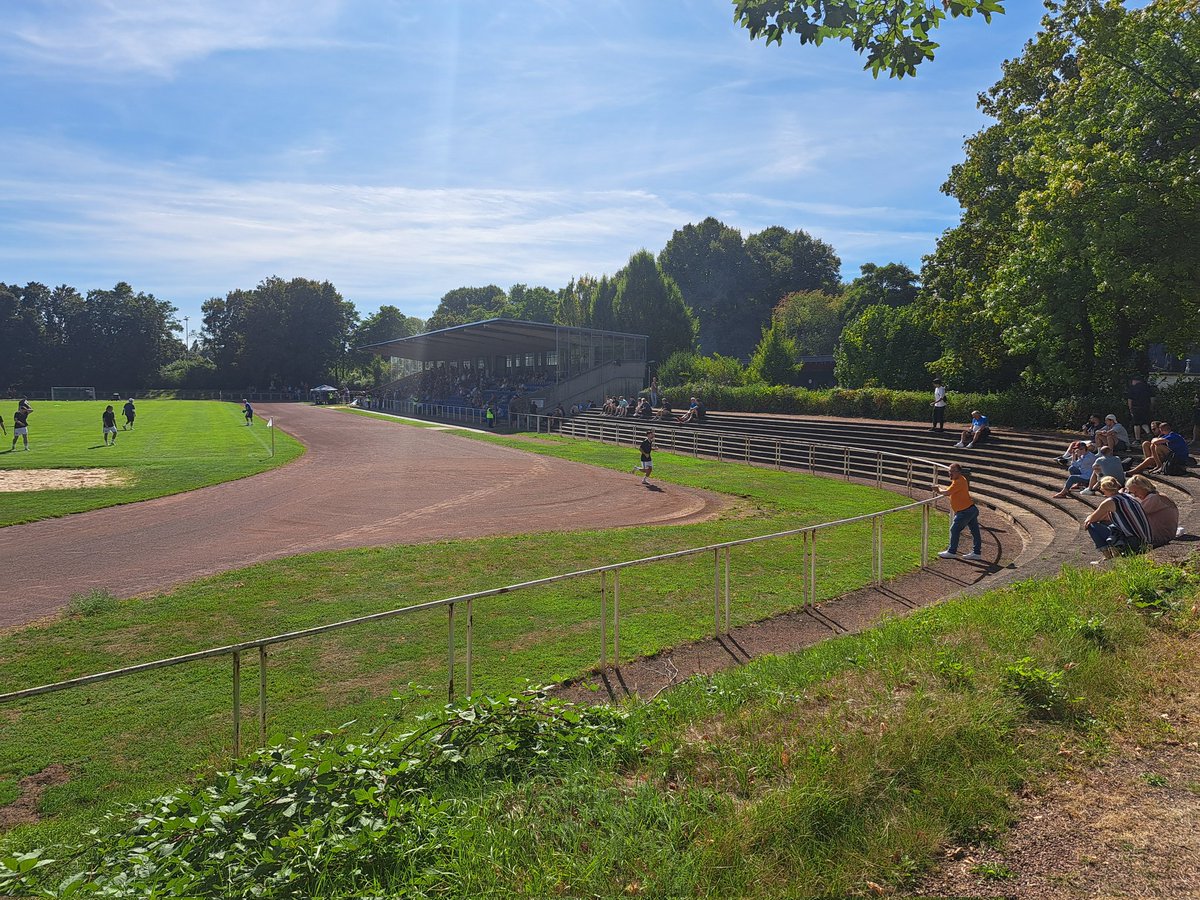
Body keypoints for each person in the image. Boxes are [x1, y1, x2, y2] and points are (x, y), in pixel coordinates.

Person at [1083, 475, 1152, 562]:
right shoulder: (1128, 496)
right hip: (1145, 540)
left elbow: (1091, 519)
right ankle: (1114, 551)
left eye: (1103, 491)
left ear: (1106, 489)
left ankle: (1108, 555)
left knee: (1091, 525)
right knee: (1106, 523)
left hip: (1133, 543)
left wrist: (1089, 517)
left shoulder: (1110, 501)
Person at [934, 462, 984, 560]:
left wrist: (938, 489)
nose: (950, 473)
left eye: (953, 471)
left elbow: (947, 492)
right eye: (949, 471)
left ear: (959, 472)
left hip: (965, 511)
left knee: (954, 529)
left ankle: (952, 551)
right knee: (975, 531)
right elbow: (950, 490)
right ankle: (976, 553)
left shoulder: (959, 481)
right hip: (970, 509)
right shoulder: (958, 480)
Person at [1124, 474, 1179, 547]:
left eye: (1136, 492)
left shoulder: (1153, 498)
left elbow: (1133, 515)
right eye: (1132, 493)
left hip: (1160, 537)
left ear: (1144, 487)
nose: (1135, 495)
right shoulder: (1157, 495)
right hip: (1166, 534)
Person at [1125, 375, 1157, 440]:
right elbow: (1152, 398)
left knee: (1136, 423)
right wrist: (1151, 407)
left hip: (1136, 408)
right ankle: (1148, 433)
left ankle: (1137, 439)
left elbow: (1130, 399)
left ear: (1135, 381)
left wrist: (1130, 408)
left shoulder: (1133, 388)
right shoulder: (1147, 387)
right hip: (1146, 407)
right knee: (1144, 422)